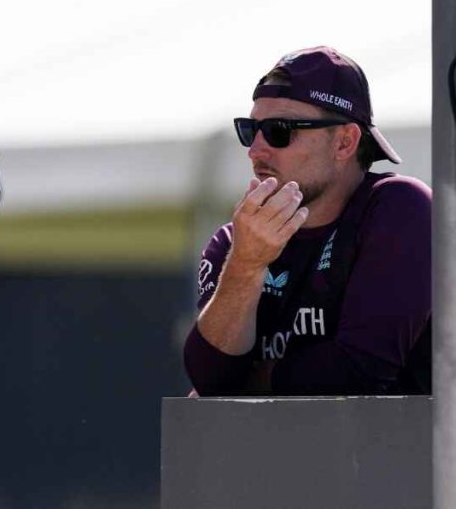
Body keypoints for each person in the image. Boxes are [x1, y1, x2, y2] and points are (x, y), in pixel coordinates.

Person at [184, 46, 430, 396]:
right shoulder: (233, 244)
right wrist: (246, 264)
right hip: (290, 451)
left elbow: (357, 372)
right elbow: (208, 377)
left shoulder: (399, 207)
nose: (255, 150)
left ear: (344, 142)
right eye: (249, 129)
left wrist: (247, 381)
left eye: (279, 130)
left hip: (396, 450)